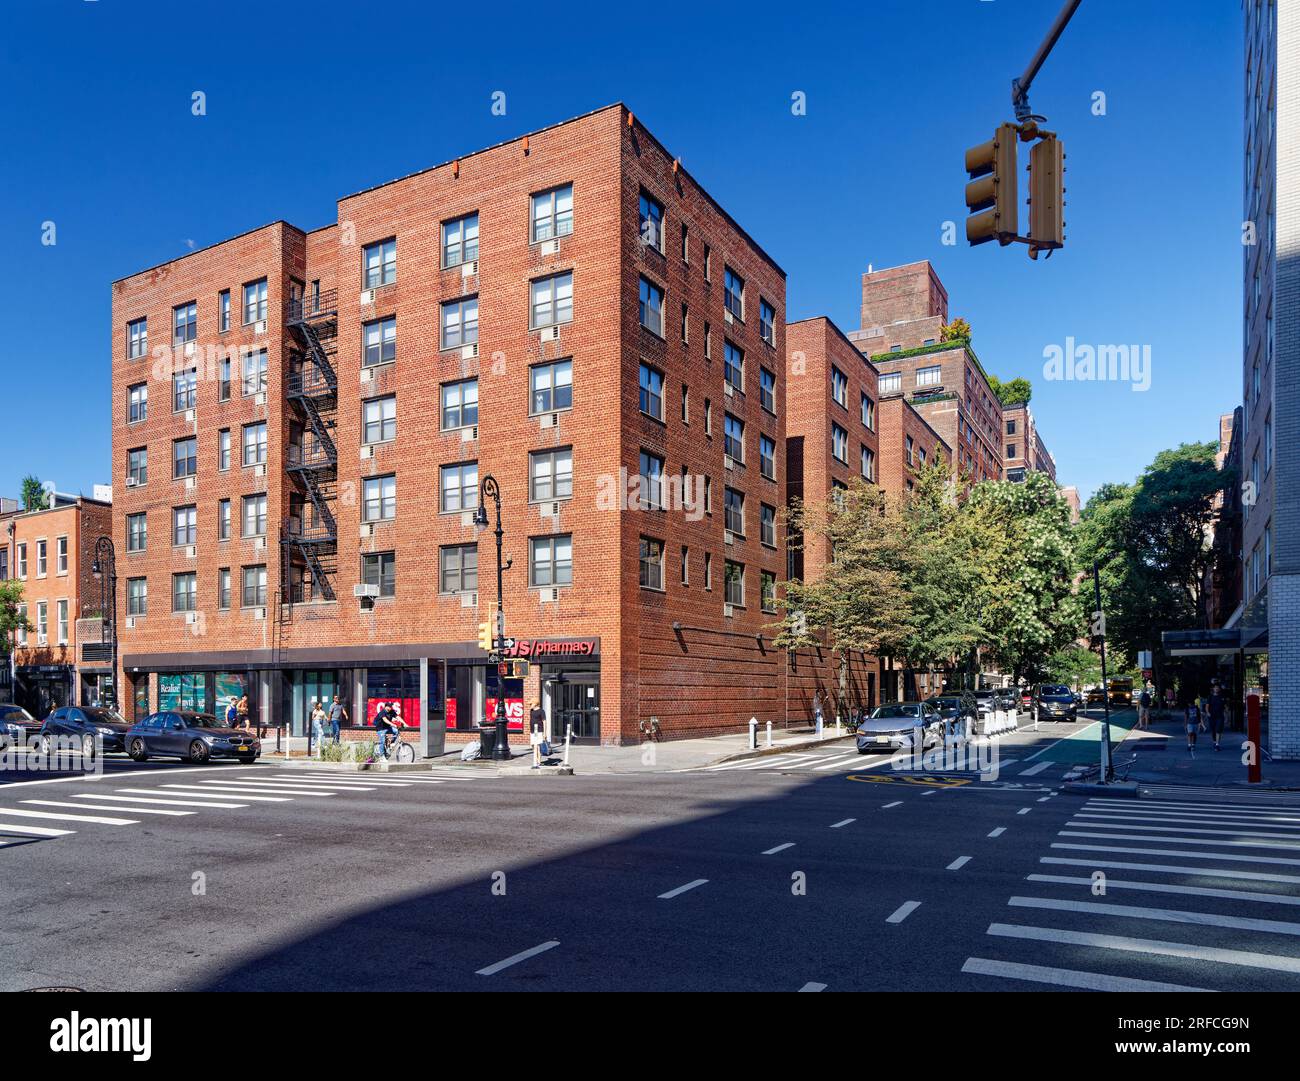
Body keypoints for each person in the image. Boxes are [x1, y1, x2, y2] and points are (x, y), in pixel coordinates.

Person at [1206, 681, 1227, 751]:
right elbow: (1207, 706)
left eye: (1218, 687)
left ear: (1219, 689)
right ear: (1213, 689)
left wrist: (1227, 716)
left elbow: (1225, 707)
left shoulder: (1222, 697)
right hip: (1212, 716)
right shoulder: (1210, 697)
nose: (1216, 689)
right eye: (1215, 687)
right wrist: (1208, 712)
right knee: (1213, 730)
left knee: (1218, 730)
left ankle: (1217, 744)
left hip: (1220, 716)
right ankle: (1214, 742)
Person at [529, 699, 547, 769]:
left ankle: (538, 761)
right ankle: (536, 759)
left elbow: (544, 722)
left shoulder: (541, 711)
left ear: (535, 704)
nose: (530, 705)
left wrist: (545, 733)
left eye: (531, 704)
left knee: (538, 746)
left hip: (539, 730)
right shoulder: (531, 711)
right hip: (532, 730)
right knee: (532, 745)